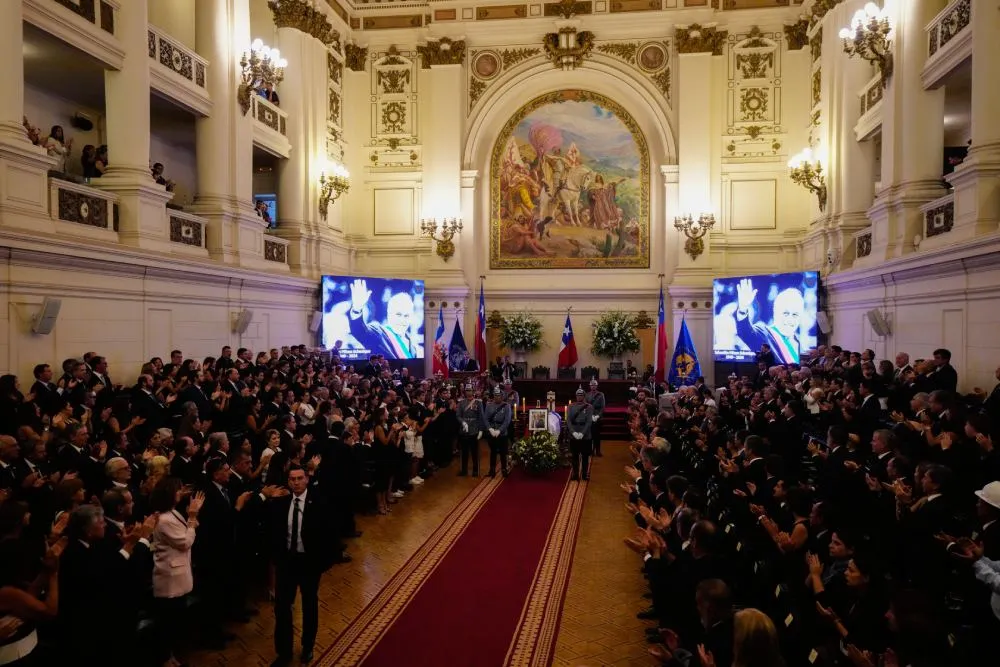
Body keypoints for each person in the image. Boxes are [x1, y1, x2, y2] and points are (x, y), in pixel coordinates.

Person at [268, 465, 340, 667]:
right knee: (282, 608)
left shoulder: (320, 502)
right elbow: (274, 533)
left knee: (309, 606)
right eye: (292, 479)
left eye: (300, 478)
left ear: (307, 480)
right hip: (287, 563)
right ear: (288, 481)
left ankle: (307, 647)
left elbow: (330, 535)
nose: (296, 482)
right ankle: (284, 652)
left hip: (309, 564)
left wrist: (322, 564)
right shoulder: (280, 503)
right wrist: (277, 559)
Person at [734, 277, 804, 365]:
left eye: (795, 314)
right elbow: (745, 332)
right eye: (785, 313)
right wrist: (743, 309)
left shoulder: (800, 343)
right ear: (775, 312)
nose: (790, 319)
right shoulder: (763, 332)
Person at [346, 279, 421, 359]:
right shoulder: (378, 332)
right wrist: (357, 309)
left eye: (406, 316)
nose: (402, 320)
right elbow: (359, 331)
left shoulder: (412, 345)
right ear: (389, 314)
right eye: (398, 315)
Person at [484, 387, 511, 477]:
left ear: (502, 396)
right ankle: (492, 470)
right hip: (491, 432)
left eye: (499, 395)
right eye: (495, 395)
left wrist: (499, 430)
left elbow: (507, 421)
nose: (497, 397)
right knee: (493, 452)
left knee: (503, 452)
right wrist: (490, 429)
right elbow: (486, 419)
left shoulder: (506, 406)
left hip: (502, 433)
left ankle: (504, 469)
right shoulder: (489, 405)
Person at [456, 384, 483, 477]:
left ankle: (475, 470)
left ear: (473, 391)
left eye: (470, 390)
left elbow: (481, 417)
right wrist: (463, 422)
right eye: (467, 390)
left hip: (474, 429)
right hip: (464, 430)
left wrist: (481, 430)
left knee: (474, 452)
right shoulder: (461, 403)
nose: (468, 392)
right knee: (464, 452)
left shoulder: (478, 403)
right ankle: (464, 470)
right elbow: (458, 415)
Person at [567, 387, 593, 481]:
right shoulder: (571, 406)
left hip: (585, 435)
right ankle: (575, 474)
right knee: (575, 456)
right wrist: (573, 432)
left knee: (585, 456)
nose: (579, 397)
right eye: (578, 395)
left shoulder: (589, 407)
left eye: (581, 395)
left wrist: (582, 433)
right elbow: (568, 421)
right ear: (576, 396)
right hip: (574, 433)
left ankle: (584, 474)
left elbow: (589, 422)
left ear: (584, 396)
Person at [586, 378, 606, 457]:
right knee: (590, 435)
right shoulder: (587, 394)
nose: (593, 386)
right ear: (590, 386)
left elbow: (602, 407)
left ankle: (598, 451)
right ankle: (590, 451)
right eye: (592, 385)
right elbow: (586, 406)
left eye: (594, 385)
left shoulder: (601, 394)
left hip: (598, 417)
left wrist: (598, 416)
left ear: (597, 386)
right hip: (590, 417)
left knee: (597, 435)